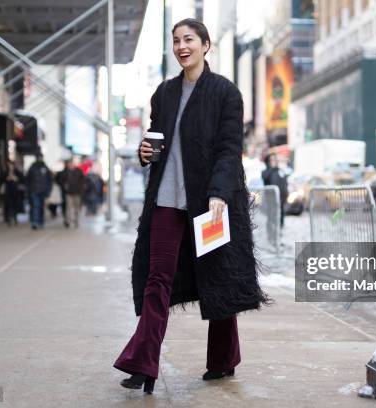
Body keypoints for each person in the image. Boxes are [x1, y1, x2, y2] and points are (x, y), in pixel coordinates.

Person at [113, 18, 269, 394]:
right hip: (167, 200)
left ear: (205, 45)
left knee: (219, 278)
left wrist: (218, 193)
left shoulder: (225, 93)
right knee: (157, 279)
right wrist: (144, 152)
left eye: (189, 40)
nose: (182, 46)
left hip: (209, 202)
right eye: (176, 41)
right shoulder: (164, 93)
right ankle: (143, 363)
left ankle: (222, 359)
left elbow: (229, 149)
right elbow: (156, 141)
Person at [261, 153, 288, 228]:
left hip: (281, 198)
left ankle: (280, 228)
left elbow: (284, 182)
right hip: (271, 199)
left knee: (281, 215)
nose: (274, 161)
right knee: (271, 216)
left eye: (275, 159)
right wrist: (271, 168)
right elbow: (265, 178)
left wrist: (286, 193)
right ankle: (271, 232)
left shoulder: (280, 171)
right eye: (272, 160)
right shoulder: (265, 172)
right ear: (268, 161)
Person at [26, 153, 52, 230]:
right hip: (34, 190)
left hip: (43, 191)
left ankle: (41, 222)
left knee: (41, 207)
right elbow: (28, 180)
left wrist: (48, 191)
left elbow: (49, 181)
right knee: (35, 206)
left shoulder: (45, 167)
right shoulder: (32, 167)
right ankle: (35, 222)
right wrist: (29, 189)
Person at [61, 158, 85, 228]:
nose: (70, 165)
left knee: (76, 208)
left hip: (77, 193)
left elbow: (83, 182)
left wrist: (81, 192)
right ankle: (68, 221)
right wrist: (64, 186)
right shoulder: (65, 172)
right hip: (68, 193)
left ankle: (76, 221)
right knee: (69, 208)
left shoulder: (79, 172)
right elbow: (60, 180)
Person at [0, 160, 25, 226]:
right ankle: (9, 218)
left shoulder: (17, 172)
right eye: (9, 165)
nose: (10, 166)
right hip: (8, 191)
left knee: (15, 205)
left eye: (11, 165)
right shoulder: (6, 172)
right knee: (9, 205)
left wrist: (15, 178)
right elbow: (1, 179)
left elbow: (22, 179)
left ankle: (15, 218)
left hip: (16, 191)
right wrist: (7, 178)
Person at [55, 160, 71, 227]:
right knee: (66, 206)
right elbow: (57, 180)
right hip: (65, 192)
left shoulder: (72, 172)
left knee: (67, 206)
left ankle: (67, 219)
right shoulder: (62, 173)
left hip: (69, 192)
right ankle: (67, 219)